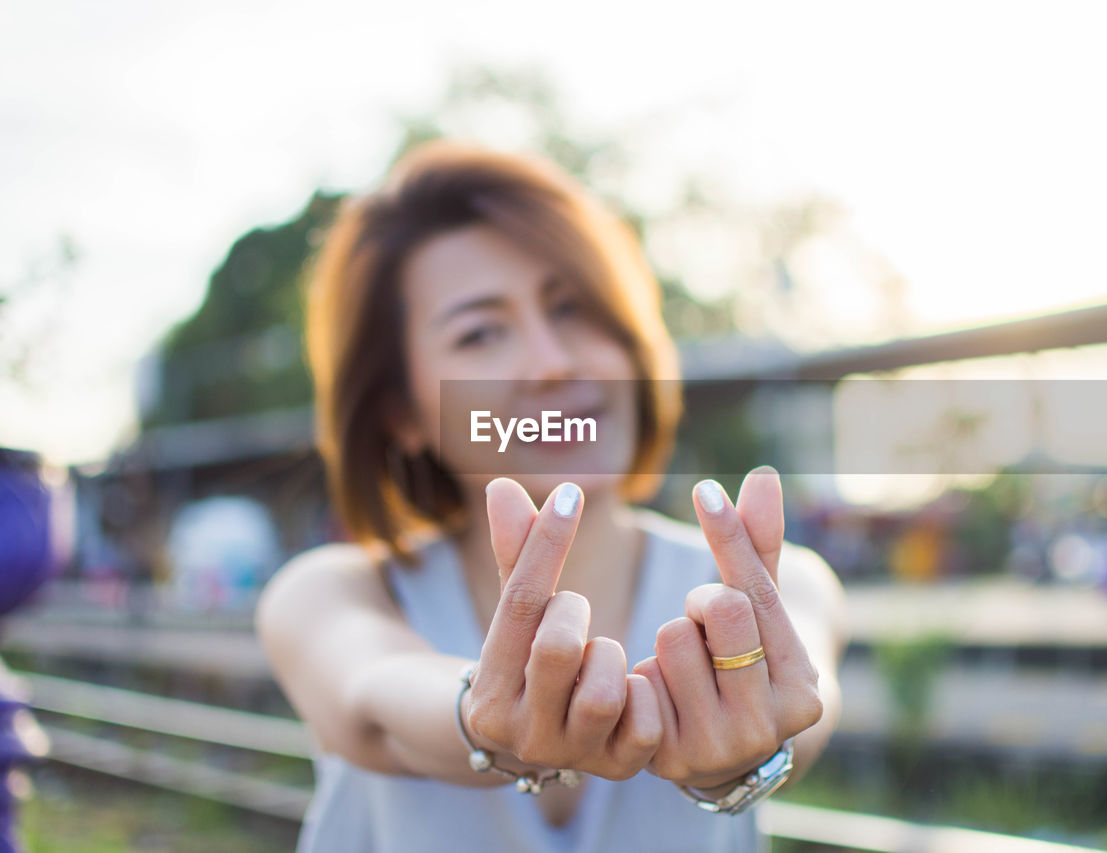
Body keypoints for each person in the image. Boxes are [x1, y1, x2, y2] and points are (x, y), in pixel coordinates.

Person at [255, 141, 849, 852]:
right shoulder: (331, 593)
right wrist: (482, 718)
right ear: (401, 413)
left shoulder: (786, 586)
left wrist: (748, 754)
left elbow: (804, 711)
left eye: (572, 308)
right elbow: (373, 692)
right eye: (480, 333)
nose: (553, 362)